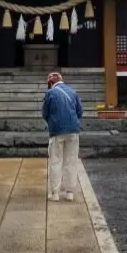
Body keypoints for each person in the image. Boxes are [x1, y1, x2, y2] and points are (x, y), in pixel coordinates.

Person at [41, 71, 83, 202]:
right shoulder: (72, 91)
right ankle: (70, 192)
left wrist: (52, 122)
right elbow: (79, 111)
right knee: (71, 160)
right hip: (73, 130)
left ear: (50, 83)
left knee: (56, 161)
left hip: (57, 131)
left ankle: (55, 193)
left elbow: (45, 113)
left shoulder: (50, 93)